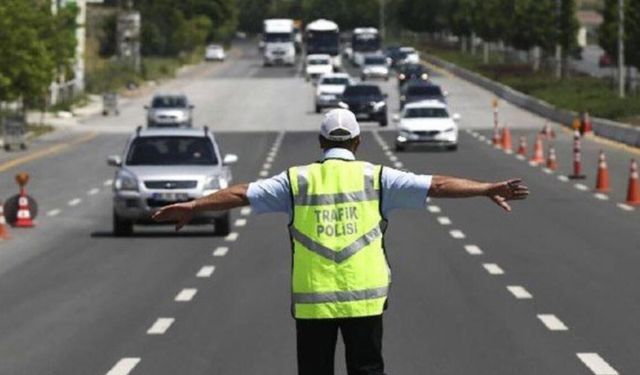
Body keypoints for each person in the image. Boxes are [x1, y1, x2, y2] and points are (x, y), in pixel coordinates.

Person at [152, 109, 530, 375]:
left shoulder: (296, 181)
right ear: (358, 142)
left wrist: (195, 205)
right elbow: (438, 185)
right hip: (365, 299)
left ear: (320, 142)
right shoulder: (378, 177)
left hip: (313, 302)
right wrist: (485, 188)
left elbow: (240, 194)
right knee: (367, 369)